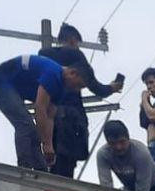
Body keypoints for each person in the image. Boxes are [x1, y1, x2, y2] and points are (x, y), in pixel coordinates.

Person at [39, 24, 124, 178]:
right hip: (70, 116)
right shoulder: (76, 56)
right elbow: (96, 88)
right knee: (66, 163)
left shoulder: (44, 54)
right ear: (72, 40)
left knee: (49, 158)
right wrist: (112, 88)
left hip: (48, 113)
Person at [0, 53, 87, 171]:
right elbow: (40, 108)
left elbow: (49, 116)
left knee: (34, 132)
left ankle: (41, 170)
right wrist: (46, 144)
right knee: (25, 125)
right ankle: (24, 168)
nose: (76, 89)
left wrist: (48, 145)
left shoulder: (62, 89)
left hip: (15, 88)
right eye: (78, 84)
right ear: (72, 73)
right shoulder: (53, 74)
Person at [96, 120, 155, 191]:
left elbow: (142, 190)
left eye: (122, 142)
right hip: (131, 187)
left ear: (128, 138)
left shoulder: (141, 152)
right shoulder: (103, 155)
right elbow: (106, 186)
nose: (118, 147)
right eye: (113, 143)